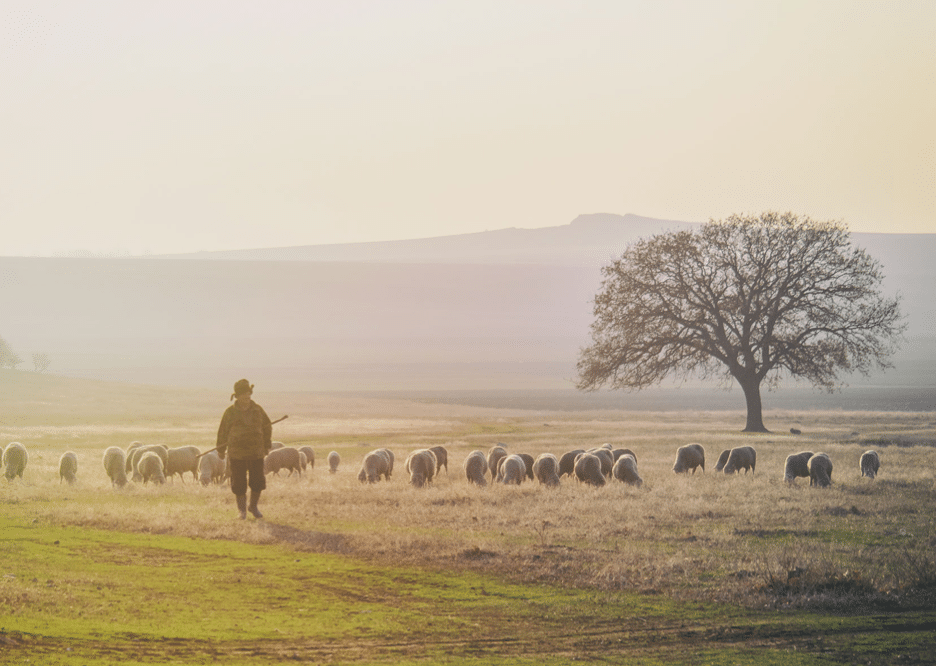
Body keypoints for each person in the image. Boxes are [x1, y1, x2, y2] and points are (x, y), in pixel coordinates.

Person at [216, 379, 272, 519]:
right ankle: (242, 511)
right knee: (239, 484)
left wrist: (266, 445)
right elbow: (222, 431)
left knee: (258, 482)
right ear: (237, 396)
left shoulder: (258, 410)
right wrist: (221, 450)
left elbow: (267, 427)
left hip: (256, 453)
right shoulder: (230, 413)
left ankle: (253, 506)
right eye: (244, 394)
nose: (247, 396)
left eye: (248, 393)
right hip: (237, 454)